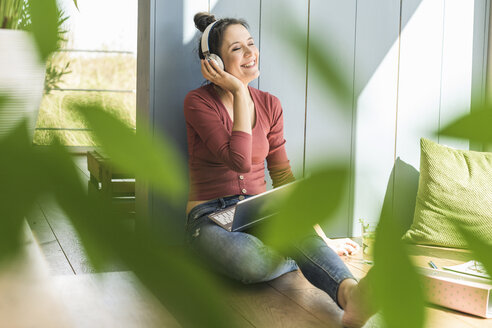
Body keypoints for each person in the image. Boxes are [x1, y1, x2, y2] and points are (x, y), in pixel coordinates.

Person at [184, 12, 374, 328]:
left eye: (251, 44)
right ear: (215, 62)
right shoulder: (198, 103)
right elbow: (240, 161)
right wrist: (240, 91)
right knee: (253, 261)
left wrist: (321, 239)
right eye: (236, 49)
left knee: (292, 235)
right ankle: (304, 256)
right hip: (209, 219)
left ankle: (351, 296)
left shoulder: (270, 104)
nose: (250, 54)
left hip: (260, 213)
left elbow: (284, 179)